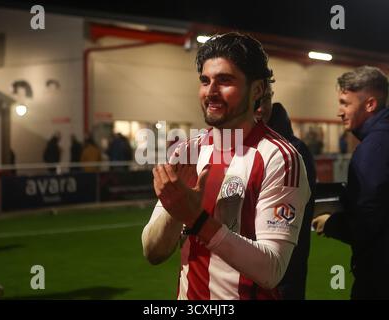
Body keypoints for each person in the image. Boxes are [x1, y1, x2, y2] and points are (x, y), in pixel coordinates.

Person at [142, 32, 311, 300]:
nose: (211, 91)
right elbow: (153, 252)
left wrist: (196, 220)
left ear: (257, 90)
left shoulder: (279, 157)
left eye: (225, 80)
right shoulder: (187, 152)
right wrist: (175, 210)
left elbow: (271, 270)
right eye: (205, 81)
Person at [312, 66, 389, 299]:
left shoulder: (372, 149)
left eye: (345, 103)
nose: (339, 111)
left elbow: (367, 220)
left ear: (370, 105)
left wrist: (332, 223)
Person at [255, 86, 316, 300]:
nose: (260, 109)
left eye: (265, 100)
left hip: (282, 282)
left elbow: (288, 222)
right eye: (255, 101)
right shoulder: (235, 146)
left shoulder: (291, 152)